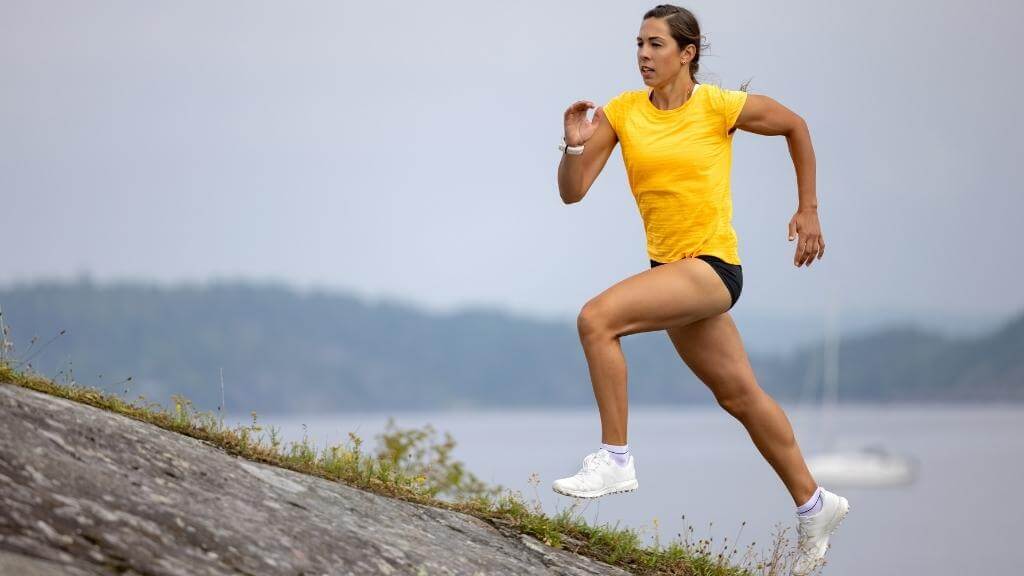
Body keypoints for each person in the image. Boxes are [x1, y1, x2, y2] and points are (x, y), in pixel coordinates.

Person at [551, 5, 849, 574]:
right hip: (673, 275)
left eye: (656, 44)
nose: (643, 54)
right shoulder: (622, 113)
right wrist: (571, 146)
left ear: (687, 53)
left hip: (711, 268)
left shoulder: (718, 106)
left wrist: (808, 208)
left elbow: (795, 125)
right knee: (740, 396)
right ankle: (815, 503)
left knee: (597, 319)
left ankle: (615, 457)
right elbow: (573, 192)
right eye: (638, 43)